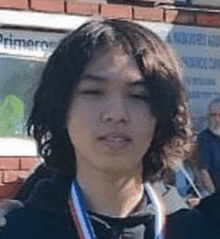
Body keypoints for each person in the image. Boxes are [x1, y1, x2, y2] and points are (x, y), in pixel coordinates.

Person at [0, 18, 219, 239]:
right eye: (94, 92)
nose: (116, 114)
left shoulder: (198, 230)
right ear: (61, 107)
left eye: (138, 96)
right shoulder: (19, 230)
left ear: (163, 114)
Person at [198, 98, 220, 189]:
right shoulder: (204, 139)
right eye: (213, 115)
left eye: (219, 115)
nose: (217, 120)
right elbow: (203, 172)